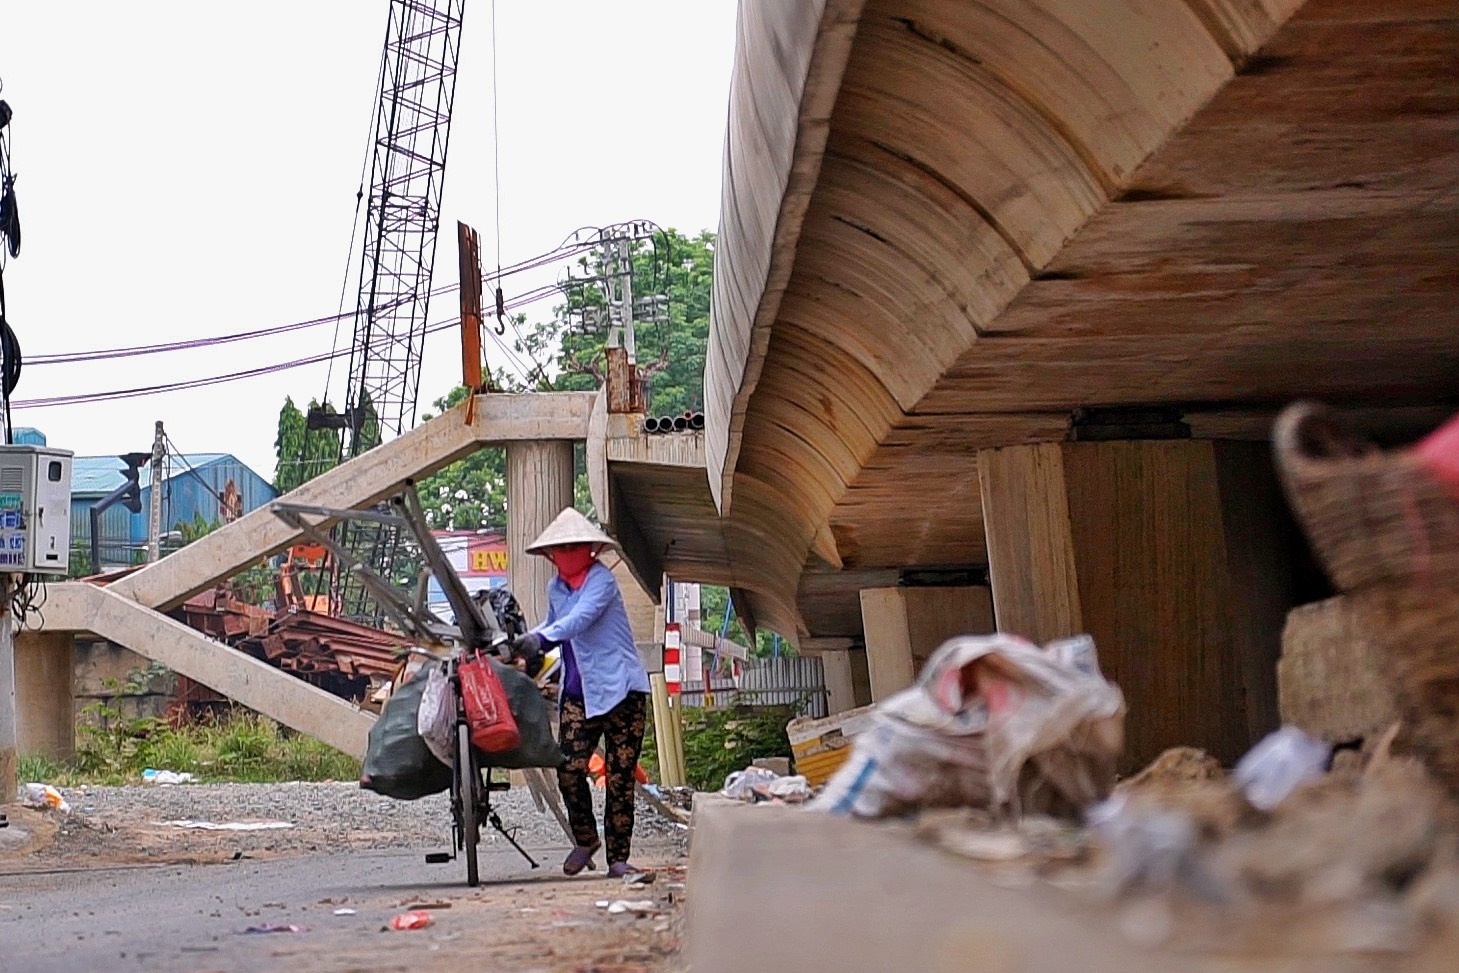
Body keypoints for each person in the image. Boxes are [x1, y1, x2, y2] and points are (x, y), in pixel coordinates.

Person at [511, 507, 650, 878]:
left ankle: (618, 859)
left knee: (621, 778)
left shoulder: (602, 581)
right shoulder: (555, 587)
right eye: (563, 548)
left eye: (576, 546)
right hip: (578, 692)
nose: (569, 553)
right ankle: (585, 838)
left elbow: (578, 620)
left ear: (590, 549)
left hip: (622, 690)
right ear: (551, 555)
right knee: (569, 769)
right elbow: (556, 623)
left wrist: (540, 638)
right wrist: (528, 643)